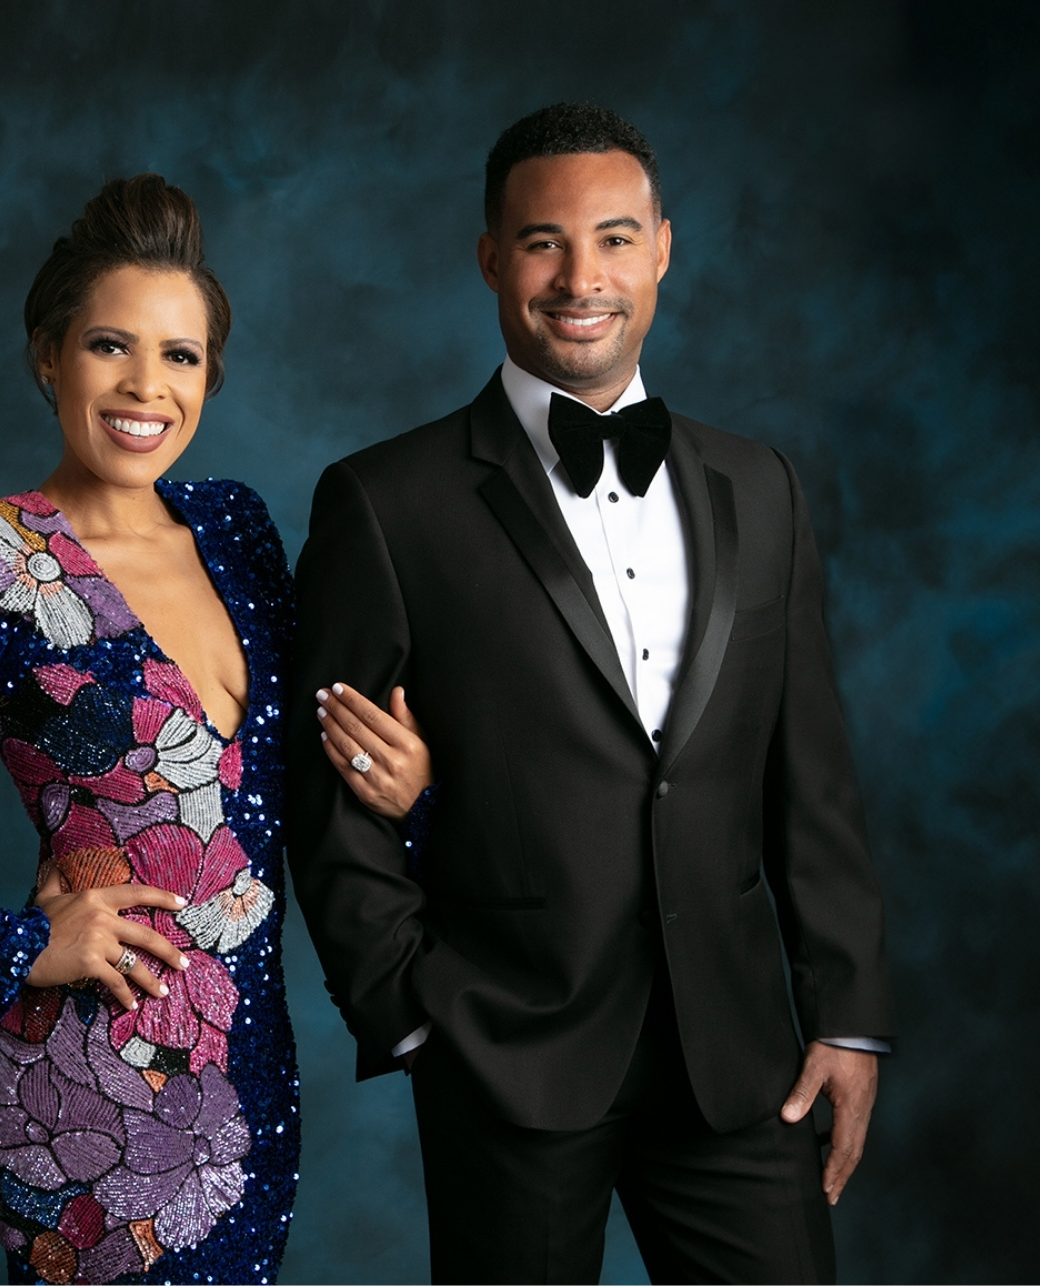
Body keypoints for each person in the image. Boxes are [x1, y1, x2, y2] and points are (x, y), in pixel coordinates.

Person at [0, 175, 434, 1285]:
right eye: (112, 345)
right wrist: (10, 950)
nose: (146, 385)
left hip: (247, 1070)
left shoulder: (234, 528)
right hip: (86, 1081)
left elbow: (292, 769)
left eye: (180, 355)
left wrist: (413, 795)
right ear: (49, 354)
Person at [288, 103, 895, 1283]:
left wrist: (846, 1012)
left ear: (662, 247)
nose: (581, 277)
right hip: (504, 1049)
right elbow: (332, 794)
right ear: (488, 259)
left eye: (614, 238)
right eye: (541, 242)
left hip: (738, 1062)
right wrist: (412, 1016)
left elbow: (808, 773)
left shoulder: (759, 486)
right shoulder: (385, 500)